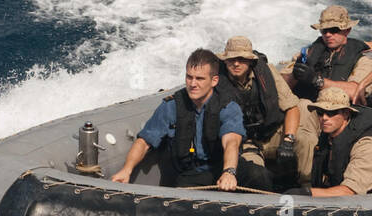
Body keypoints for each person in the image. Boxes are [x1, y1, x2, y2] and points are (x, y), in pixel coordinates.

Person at [110, 48, 253, 190]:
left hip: (223, 166)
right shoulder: (171, 106)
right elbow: (144, 141)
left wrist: (229, 172)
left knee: (259, 176)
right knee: (183, 193)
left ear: (214, 80)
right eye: (189, 77)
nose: (193, 84)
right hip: (192, 173)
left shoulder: (228, 106)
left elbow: (231, 142)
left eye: (200, 79)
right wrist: (126, 169)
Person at [217, 36, 313, 189]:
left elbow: (292, 107)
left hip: (273, 133)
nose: (236, 63)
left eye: (242, 59)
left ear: (250, 60)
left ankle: (307, 188)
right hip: (244, 142)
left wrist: (288, 141)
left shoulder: (267, 72)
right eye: (231, 59)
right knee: (256, 177)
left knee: (305, 140)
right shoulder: (215, 80)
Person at [303, 87, 372, 196]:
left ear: (346, 113)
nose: (324, 118)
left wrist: (306, 194)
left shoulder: (368, 143)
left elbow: (349, 191)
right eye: (320, 112)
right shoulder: (328, 135)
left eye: (331, 112)